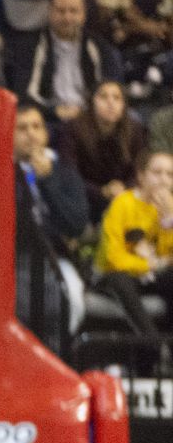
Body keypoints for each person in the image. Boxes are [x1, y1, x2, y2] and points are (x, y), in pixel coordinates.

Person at [7, 0, 123, 122]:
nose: (67, 18)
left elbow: (111, 91)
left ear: (83, 14)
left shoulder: (100, 47)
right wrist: (55, 112)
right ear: (50, 12)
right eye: (61, 11)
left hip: (91, 119)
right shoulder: (30, 47)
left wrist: (88, 113)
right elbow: (24, 95)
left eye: (73, 11)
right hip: (48, 119)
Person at [93, 149, 173, 334]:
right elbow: (113, 258)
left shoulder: (170, 208)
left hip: (151, 276)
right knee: (119, 278)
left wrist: (169, 221)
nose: (164, 180)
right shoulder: (123, 203)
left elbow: (168, 256)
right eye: (157, 173)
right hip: (115, 276)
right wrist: (151, 264)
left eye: (170, 175)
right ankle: (154, 343)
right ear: (141, 176)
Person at [57, 80, 146, 219]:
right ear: (92, 102)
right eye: (103, 97)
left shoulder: (134, 130)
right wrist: (101, 191)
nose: (110, 103)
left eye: (117, 98)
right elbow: (69, 173)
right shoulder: (73, 129)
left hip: (124, 195)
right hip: (85, 198)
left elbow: (140, 168)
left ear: (124, 105)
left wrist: (124, 187)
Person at [15, 101, 92, 255]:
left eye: (36, 127)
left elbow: (77, 225)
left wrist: (48, 179)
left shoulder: (64, 169)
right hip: (15, 256)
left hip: (56, 256)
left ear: (46, 133)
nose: (31, 134)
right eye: (22, 128)